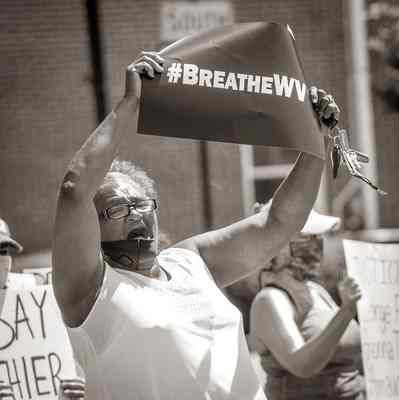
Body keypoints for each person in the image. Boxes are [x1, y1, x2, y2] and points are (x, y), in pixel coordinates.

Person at [52, 50, 340, 400]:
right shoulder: (89, 289)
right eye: (116, 210)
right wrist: (130, 104)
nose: (136, 215)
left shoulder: (190, 262)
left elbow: (278, 223)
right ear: (91, 232)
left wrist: (316, 141)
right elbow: (73, 190)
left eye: (142, 204)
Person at [248, 201, 365, 400]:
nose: (318, 244)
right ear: (279, 245)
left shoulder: (315, 290)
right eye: (309, 238)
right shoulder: (270, 299)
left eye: (319, 237)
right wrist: (346, 312)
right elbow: (301, 364)